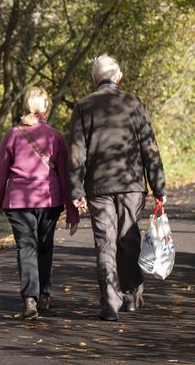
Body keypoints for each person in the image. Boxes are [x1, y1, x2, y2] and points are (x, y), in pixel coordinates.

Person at [68, 55, 167, 322]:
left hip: (98, 187)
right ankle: (132, 298)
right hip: (132, 185)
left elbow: (77, 153)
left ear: (93, 79)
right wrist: (159, 185)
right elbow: (150, 147)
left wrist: (77, 190)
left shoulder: (83, 106)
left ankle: (110, 305)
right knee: (129, 239)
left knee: (105, 244)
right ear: (119, 76)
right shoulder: (135, 103)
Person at [0, 87, 80, 320]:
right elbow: (64, 178)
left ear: (24, 108)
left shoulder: (12, 134)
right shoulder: (56, 136)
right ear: (47, 108)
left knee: (26, 248)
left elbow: (0, 173)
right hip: (49, 201)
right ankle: (44, 295)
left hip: (18, 202)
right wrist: (72, 212)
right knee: (44, 246)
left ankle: (30, 298)